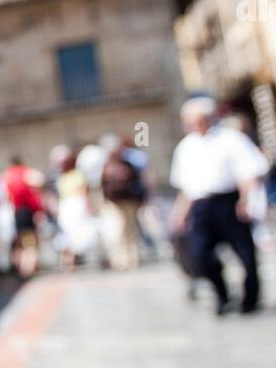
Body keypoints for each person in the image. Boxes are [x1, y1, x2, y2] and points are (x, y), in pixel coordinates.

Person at [169, 96, 269, 314]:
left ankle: (250, 299)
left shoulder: (231, 139)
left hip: (229, 202)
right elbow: (186, 186)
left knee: (246, 255)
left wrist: (245, 199)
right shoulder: (186, 147)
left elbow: (248, 172)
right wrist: (180, 213)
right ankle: (222, 295)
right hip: (201, 206)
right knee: (199, 254)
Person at [100, 136, 147, 270]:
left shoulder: (128, 164)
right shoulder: (106, 166)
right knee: (116, 231)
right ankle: (119, 259)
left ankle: (132, 257)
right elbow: (102, 184)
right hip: (114, 202)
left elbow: (138, 182)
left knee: (131, 230)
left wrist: (141, 199)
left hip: (129, 201)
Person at [0, 156, 45, 277]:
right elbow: (39, 180)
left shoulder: (6, 177)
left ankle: (22, 267)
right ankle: (27, 269)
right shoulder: (24, 173)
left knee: (20, 242)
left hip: (16, 213)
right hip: (26, 212)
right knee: (30, 242)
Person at [53, 149, 97, 269]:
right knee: (67, 234)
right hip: (67, 208)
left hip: (77, 206)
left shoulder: (78, 175)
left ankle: (84, 259)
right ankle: (68, 262)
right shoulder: (60, 177)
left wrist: (88, 207)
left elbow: (84, 192)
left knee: (81, 232)